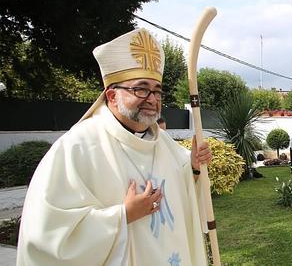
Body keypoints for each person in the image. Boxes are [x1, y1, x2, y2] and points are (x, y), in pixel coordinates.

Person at [17, 28, 212, 265]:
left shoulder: (165, 144)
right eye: (141, 89)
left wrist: (192, 167)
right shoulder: (76, 148)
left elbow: (184, 197)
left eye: (157, 91)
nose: (152, 99)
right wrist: (123, 215)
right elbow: (47, 238)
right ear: (111, 95)